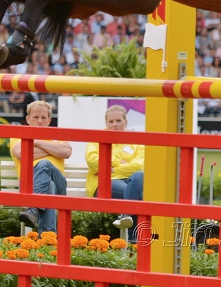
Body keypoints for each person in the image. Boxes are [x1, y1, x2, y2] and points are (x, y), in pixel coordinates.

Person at [10, 100, 72, 233]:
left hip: (59, 184)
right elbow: (21, 153)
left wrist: (37, 142)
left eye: (44, 117)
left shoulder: (58, 135)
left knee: (44, 165)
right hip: (29, 186)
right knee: (49, 185)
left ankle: (32, 210)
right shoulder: (18, 135)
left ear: (49, 120)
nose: (40, 121)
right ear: (28, 119)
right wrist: (53, 150)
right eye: (36, 117)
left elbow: (66, 152)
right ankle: (48, 240)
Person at [85, 105, 145, 239]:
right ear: (106, 123)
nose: (114, 125)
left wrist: (113, 168)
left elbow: (140, 166)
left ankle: (125, 216)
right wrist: (119, 162)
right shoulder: (97, 139)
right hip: (104, 183)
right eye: (111, 122)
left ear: (126, 122)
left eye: (118, 121)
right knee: (136, 196)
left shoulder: (137, 141)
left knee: (139, 177)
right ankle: (133, 243)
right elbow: (94, 161)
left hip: (130, 181)